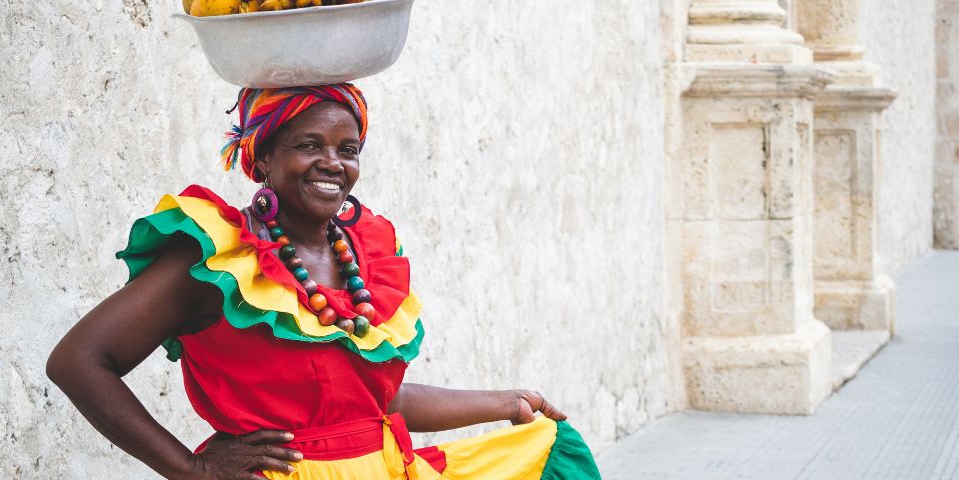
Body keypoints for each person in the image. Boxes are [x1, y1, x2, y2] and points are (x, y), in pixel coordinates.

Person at [47, 84, 601, 479]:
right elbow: (79, 360)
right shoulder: (215, 260)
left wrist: (504, 402)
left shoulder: (368, 257)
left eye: (348, 149)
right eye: (309, 145)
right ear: (261, 155)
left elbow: (371, 405)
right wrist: (192, 469)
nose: (332, 163)